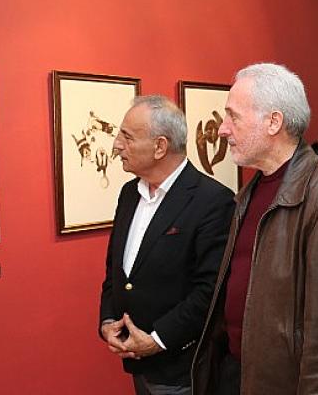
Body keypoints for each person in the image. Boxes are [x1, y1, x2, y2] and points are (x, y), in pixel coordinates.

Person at [191, 63, 318, 395]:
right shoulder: (249, 193)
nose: (223, 129)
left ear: (274, 122)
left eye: (233, 117)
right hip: (236, 373)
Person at [98, 95, 235, 395]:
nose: (117, 145)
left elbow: (210, 289)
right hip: (138, 363)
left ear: (160, 147)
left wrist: (157, 340)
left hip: (183, 368)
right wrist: (107, 321)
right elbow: (115, 270)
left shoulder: (212, 201)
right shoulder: (129, 194)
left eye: (127, 137)